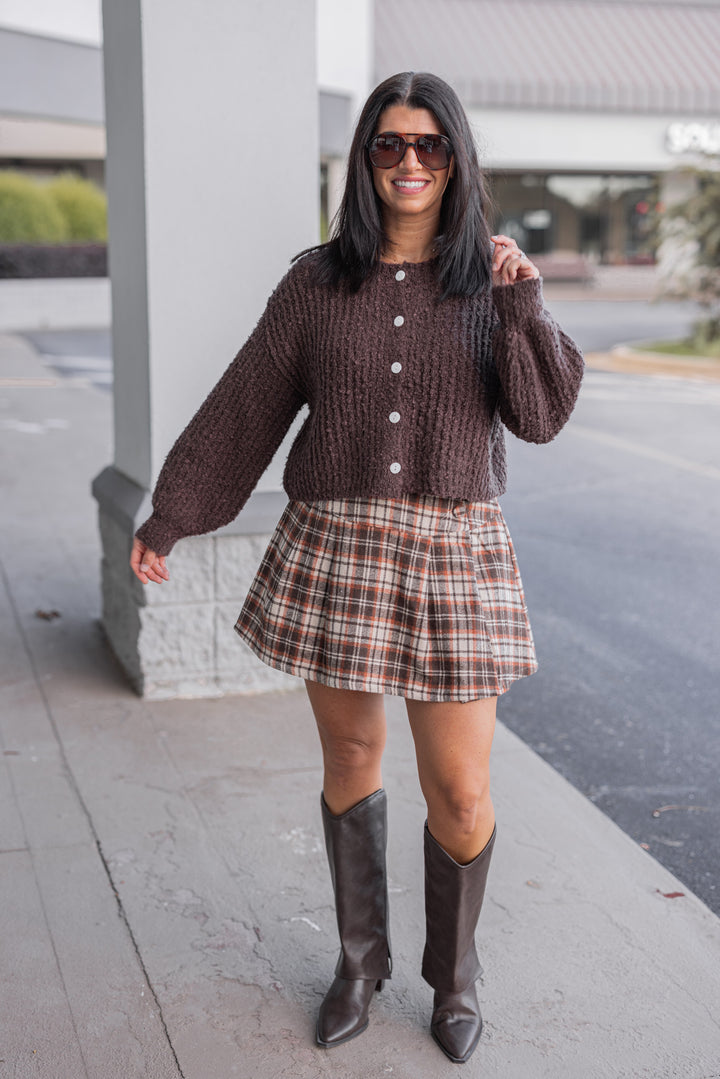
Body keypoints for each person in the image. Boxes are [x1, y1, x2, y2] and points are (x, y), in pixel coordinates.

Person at [130, 71, 584, 1064]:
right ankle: (358, 959)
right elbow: (247, 400)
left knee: (461, 788)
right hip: (335, 543)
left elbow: (542, 417)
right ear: (364, 159)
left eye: (430, 145)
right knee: (349, 761)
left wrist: (525, 309)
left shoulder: (494, 285)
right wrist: (173, 512)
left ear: (458, 158)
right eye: (389, 144)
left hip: (455, 553)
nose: (410, 162)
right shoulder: (317, 281)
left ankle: (455, 978)